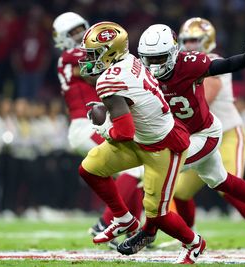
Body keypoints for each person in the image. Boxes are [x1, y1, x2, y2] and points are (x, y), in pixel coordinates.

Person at [124, 24, 245, 256]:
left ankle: (149, 230)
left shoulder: (191, 63)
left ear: (172, 53)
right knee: (221, 180)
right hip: (183, 136)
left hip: (204, 134)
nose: (153, 65)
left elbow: (223, 65)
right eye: (149, 59)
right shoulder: (142, 71)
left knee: (161, 169)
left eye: (160, 58)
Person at [78, 21, 205, 264]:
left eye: (93, 53)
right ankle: (123, 218)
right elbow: (132, 99)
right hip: (141, 139)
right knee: (90, 168)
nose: (88, 59)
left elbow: (123, 132)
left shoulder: (107, 80)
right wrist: (107, 106)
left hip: (163, 145)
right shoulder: (129, 60)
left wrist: (101, 125)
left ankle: (194, 244)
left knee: (157, 214)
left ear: (109, 51)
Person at [52, 13, 143, 248]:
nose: (79, 35)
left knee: (136, 175)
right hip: (87, 125)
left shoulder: (83, 55)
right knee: (135, 170)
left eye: (80, 29)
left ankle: (132, 231)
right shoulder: (70, 56)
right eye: (72, 32)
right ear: (62, 38)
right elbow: (95, 68)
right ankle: (106, 223)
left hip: (96, 124)